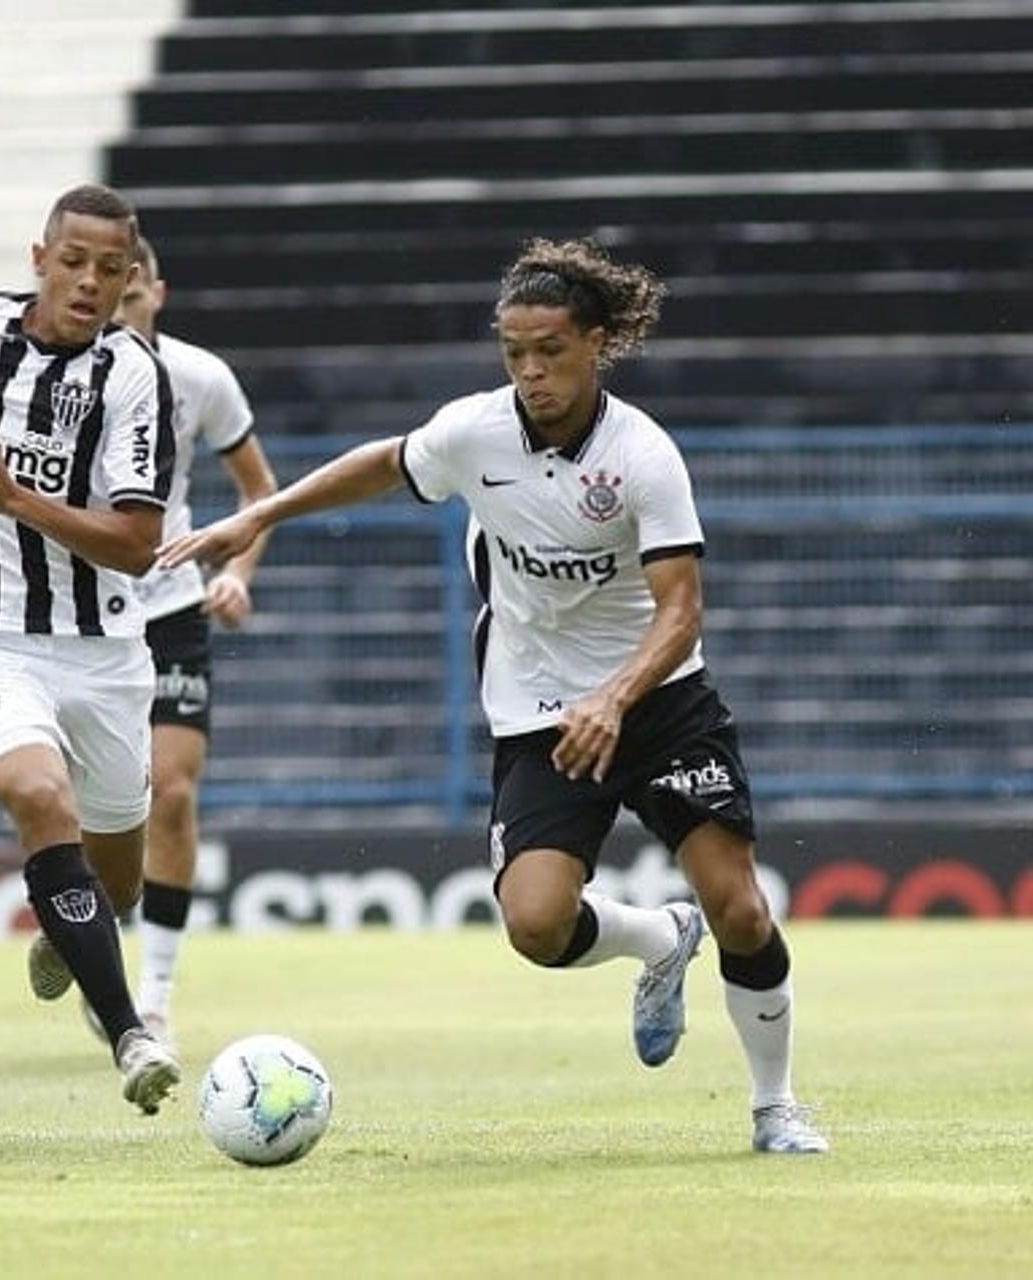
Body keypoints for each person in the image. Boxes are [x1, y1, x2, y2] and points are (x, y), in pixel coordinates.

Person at [160, 238, 828, 1155]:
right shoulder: (476, 433)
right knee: (535, 925)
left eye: (550, 349)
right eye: (513, 351)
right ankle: (654, 940)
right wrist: (255, 515)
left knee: (742, 908)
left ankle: (775, 1108)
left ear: (596, 343)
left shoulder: (643, 455)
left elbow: (681, 613)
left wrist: (616, 698)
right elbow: (384, 463)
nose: (530, 370)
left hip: (661, 700)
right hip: (540, 710)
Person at [0, 183, 182, 1114]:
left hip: (100, 648)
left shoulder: (132, 376)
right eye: (74, 263)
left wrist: (19, 500)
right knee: (35, 794)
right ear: (39, 256)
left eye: (111, 270)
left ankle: (75, 923)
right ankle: (132, 1034)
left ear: (130, 277)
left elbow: (138, 544)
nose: (90, 283)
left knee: (120, 877)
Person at [112, 235, 277, 1046]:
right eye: (107, 294)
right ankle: (84, 925)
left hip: (171, 603)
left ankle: (155, 995)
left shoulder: (200, 378)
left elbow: (258, 493)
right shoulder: (48, 380)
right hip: (76, 611)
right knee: (92, 807)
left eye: (131, 293)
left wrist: (238, 572)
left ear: (157, 293)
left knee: (171, 791)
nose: (118, 309)